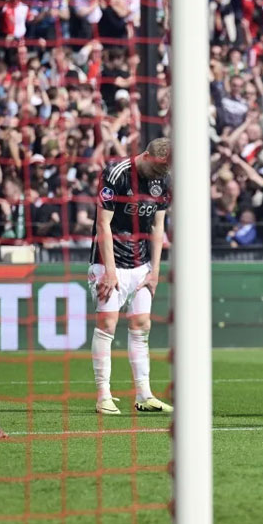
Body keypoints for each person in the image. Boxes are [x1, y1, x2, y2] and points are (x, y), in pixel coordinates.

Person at [89, 138, 173, 414]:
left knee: (141, 327)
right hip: (108, 264)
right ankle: (103, 394)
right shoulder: (116, 173)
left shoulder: (164, 181)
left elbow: (158, 227)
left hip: (142, 266)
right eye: (159, 168)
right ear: (146, 155)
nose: (161, 175)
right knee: (108, 325)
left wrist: (155, 271)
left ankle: (144, 395)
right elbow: (103, 223)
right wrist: (110, 271)